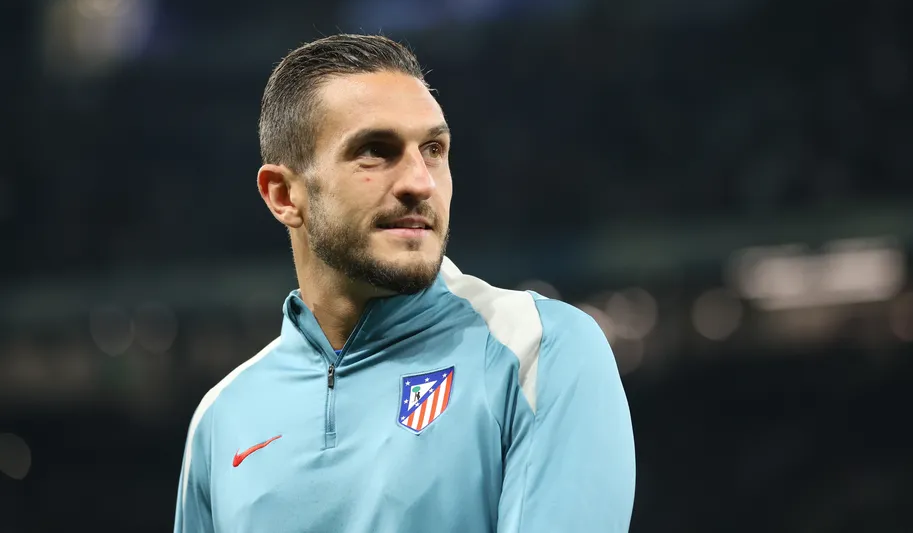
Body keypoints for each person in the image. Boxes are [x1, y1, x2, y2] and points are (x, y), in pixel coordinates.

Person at [173, 34, 635, 533]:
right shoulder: (222, 419)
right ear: (284, 194)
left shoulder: (536, 347)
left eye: (433, 150)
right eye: (375, 151)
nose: (421, 182)